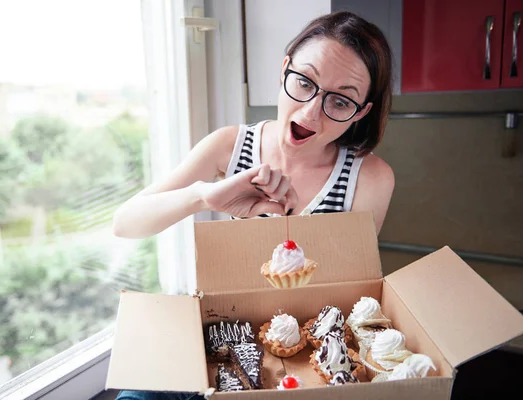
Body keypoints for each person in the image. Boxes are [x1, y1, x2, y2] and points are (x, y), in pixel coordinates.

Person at [114, 10, 394, 399]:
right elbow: (125, 223)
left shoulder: (370, 177)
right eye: (304, 82)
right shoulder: (229, 146)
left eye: (341, 102)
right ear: (284, 71)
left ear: (361, 112)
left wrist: (289, 229)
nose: (311, 112)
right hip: (218, 330)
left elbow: (348, 292)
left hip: (303, 356)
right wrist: (203, 196)